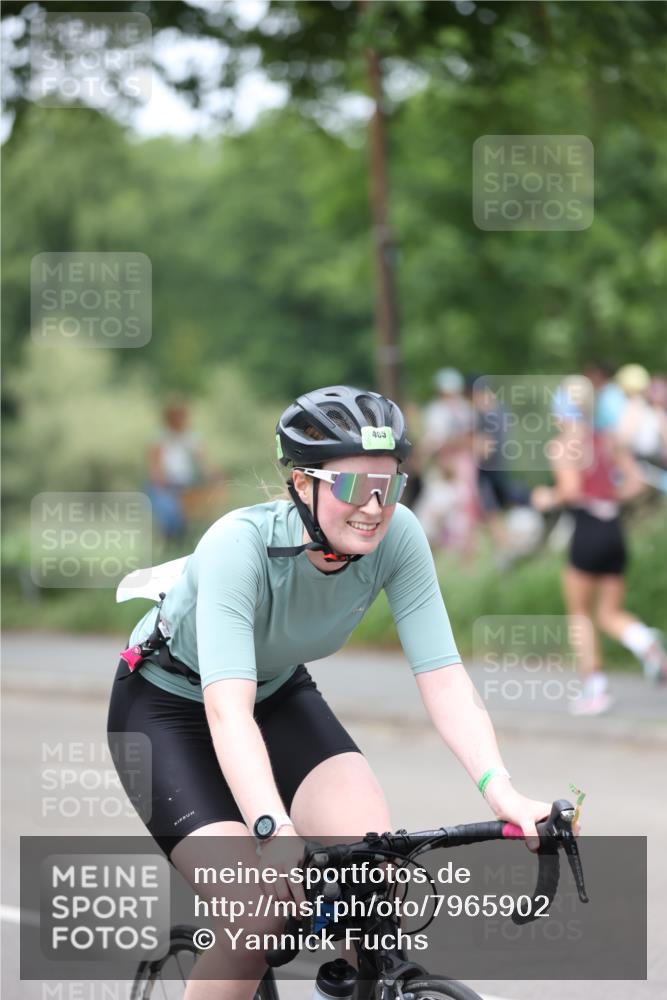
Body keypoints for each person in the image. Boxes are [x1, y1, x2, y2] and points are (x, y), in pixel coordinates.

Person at [109, 385, 556, 1000]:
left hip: (277, 691)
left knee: (372, 879)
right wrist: (274, 829)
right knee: (258, 916)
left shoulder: (398, 537)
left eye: (388, 483)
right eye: (351, 485)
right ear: (301, 482)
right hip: (167, 707)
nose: (373, 506)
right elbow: (226, 709)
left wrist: (501, 789)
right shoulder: (237, 547)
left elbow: (445, 678)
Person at [532, 377, 667, 717]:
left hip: (588, 530)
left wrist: (546, 498)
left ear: (563, 412)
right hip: (614, 529)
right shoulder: (607, 441)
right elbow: (636, 482)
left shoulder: (563, 445)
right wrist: (610, 496)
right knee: (608, 613)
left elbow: (570, 490)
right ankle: (646, 642)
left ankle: (596, 689)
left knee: (580, 614)